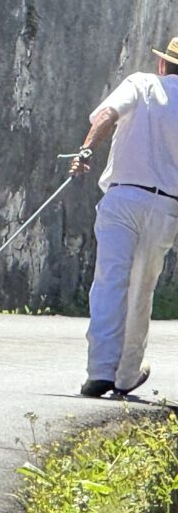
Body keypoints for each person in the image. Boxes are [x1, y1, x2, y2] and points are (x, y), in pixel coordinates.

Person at [70, 37, 178, 398]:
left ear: (162, 65)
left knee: (110, 282)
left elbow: (107, 115)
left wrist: (85, 152)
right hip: (165, 207)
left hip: (123, 196)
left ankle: (100, 371)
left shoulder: (141, 83)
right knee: (142, 290)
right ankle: (128, 374)